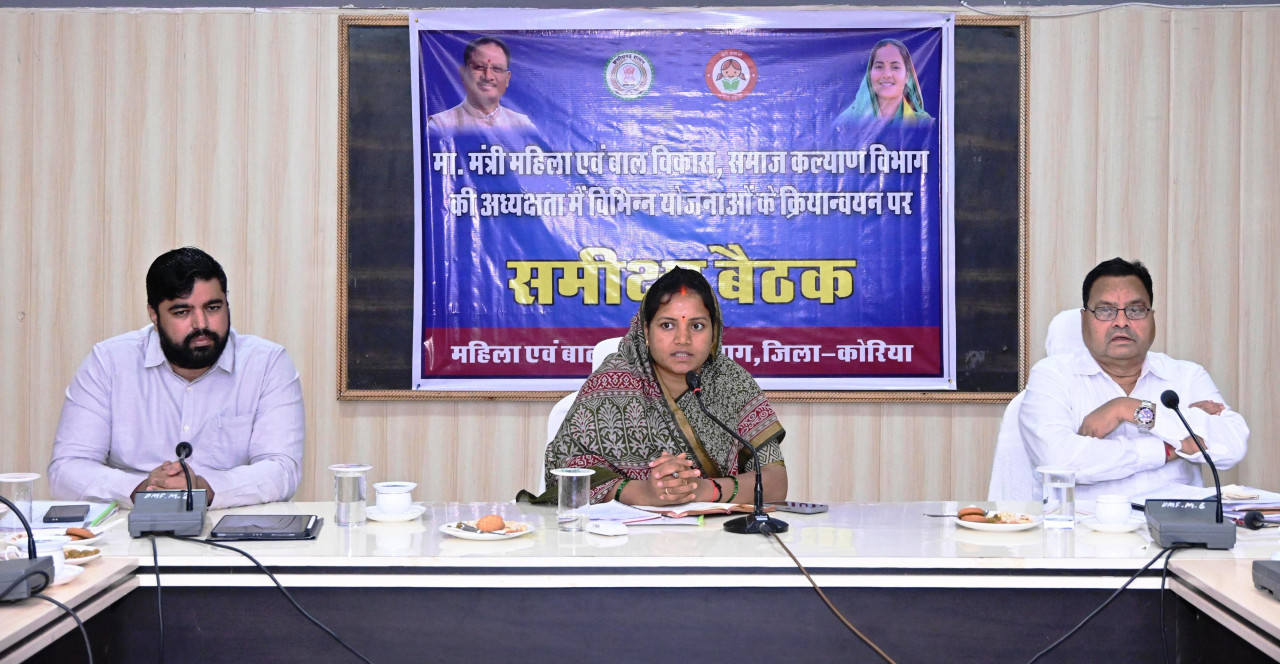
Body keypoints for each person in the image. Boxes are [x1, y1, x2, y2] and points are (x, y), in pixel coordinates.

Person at [48, 247, 305, 509]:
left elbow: (282, 469)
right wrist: (143, 489)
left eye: (213, 307)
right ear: (154, 314)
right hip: (128, 522)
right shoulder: (109, 362)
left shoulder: (267, 364)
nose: (201, 324)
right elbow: (67, 469)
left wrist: (204, 488)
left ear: (226, 303)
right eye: (182, 311)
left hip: (229, 520)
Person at [540, 267, 787, 505]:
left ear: (714, 331)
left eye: (697, 326)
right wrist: (642, 492)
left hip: (717, 528)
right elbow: (564, 476)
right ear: (646, 330)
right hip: (622, 530)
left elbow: (776, 482)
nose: (683, 339)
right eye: (667, 325)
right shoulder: (610, 384)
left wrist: (703, 490)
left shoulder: (732, 383)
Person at [1019, 258, 1248, 502]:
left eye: (1136, 310)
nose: (1121, 322)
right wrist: (1168, 449)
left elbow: (1232, 447)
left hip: (1175, 524)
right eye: (1105, 310)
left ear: (1152, 316)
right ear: (1084, 319)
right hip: (1086, 523)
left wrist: (1130, 409)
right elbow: (1058, 462)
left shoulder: (1187, 376)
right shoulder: (1053, 376)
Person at [427, 36, 537, 133]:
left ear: (507, 78)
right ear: (463, 74)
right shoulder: (440, 126)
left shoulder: (522, 125)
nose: (488, 76)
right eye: (479, 67)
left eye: (497, 68)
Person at [834, 38, 932, 126]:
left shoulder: (925, 123)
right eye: (879, 67)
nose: (887, 74)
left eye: (895, 67)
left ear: (907, 76)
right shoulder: (846, 122)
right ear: (869, 75)